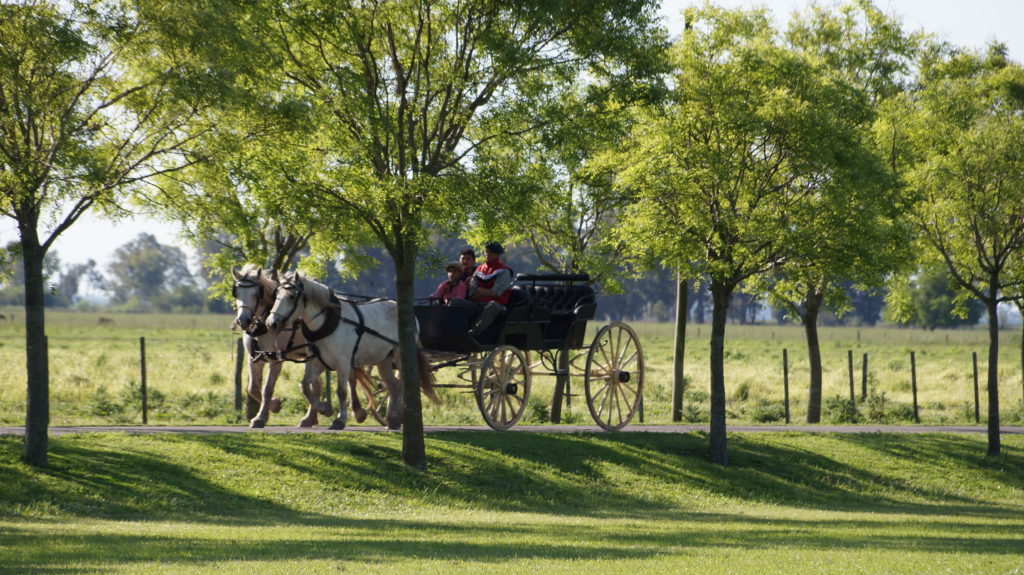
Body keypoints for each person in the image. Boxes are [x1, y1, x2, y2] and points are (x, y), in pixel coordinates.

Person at [466, 241, 513, 337]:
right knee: (456, 302)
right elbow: (471, 292)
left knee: (493, 305)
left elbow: (495, 293)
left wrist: (479, 290)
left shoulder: (504, 271)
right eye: (486, 251)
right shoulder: (479, 269)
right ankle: (454, 330)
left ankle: (473, 333)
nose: (487, 254)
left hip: (498, 305)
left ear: (497, 254)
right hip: (478, 303)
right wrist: (479, 292)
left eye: (491, 252)